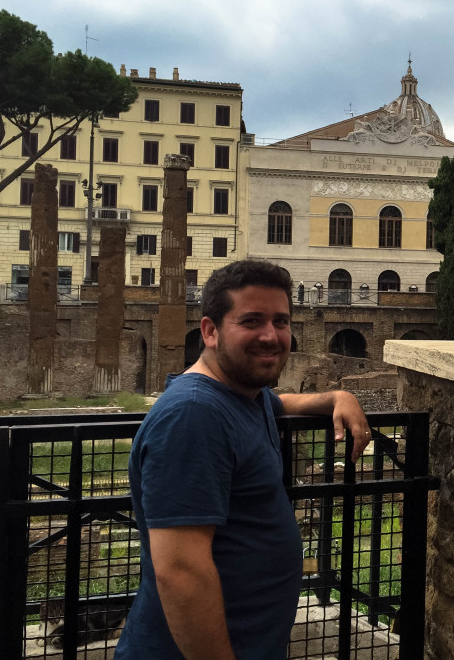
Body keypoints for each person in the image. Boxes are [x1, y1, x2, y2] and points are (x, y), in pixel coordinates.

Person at [114, 260, 370, 660]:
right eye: (252, 321)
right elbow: (180, 573)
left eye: (281, 321)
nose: (271, 335)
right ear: (210, 331)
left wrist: (339, 397)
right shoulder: (194, 415)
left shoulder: (241, 395)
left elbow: (280, 402)